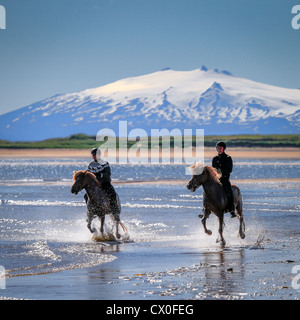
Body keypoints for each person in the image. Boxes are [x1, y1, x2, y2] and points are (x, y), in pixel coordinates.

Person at [212, 141, 236, 218]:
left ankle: (232, 210)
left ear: (224, 149)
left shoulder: (228, 158)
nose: (219, 149)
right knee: (207, 191)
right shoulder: (214, 159)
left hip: (225, 180)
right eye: (218, 148)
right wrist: (216, 175)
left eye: (220, 148)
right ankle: (205, 210)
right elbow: (214, 169)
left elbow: (229, 170)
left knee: (229, 192)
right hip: (216, 180)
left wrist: (221, 174)